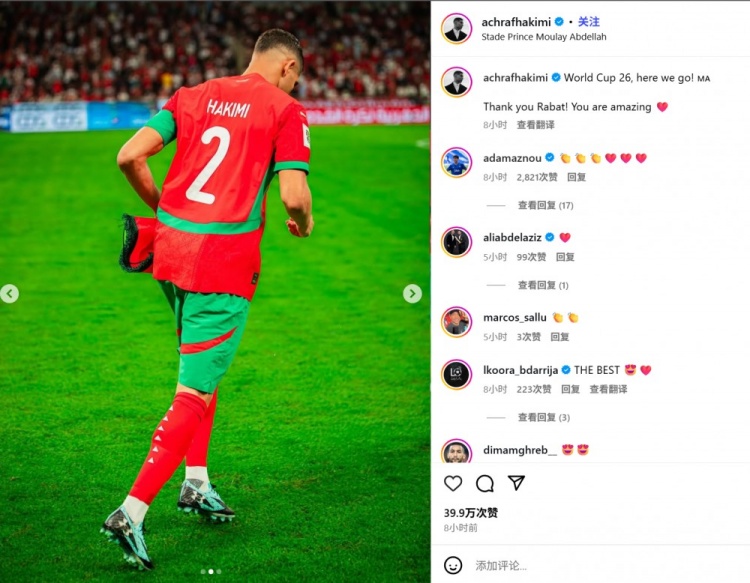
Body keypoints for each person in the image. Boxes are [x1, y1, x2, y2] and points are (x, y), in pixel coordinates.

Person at [101, 29, 314, 571]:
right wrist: (303, 220)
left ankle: (196, 482)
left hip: (170, 252)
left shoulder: (192, 95)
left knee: (200, 368)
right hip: (222, 264)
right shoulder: (286, 110)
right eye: (296, 77)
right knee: (193, 391)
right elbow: (293, 194)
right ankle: (131, 511)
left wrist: (166, 211)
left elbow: (129, 156)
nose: (295, 85)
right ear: (288, 67)